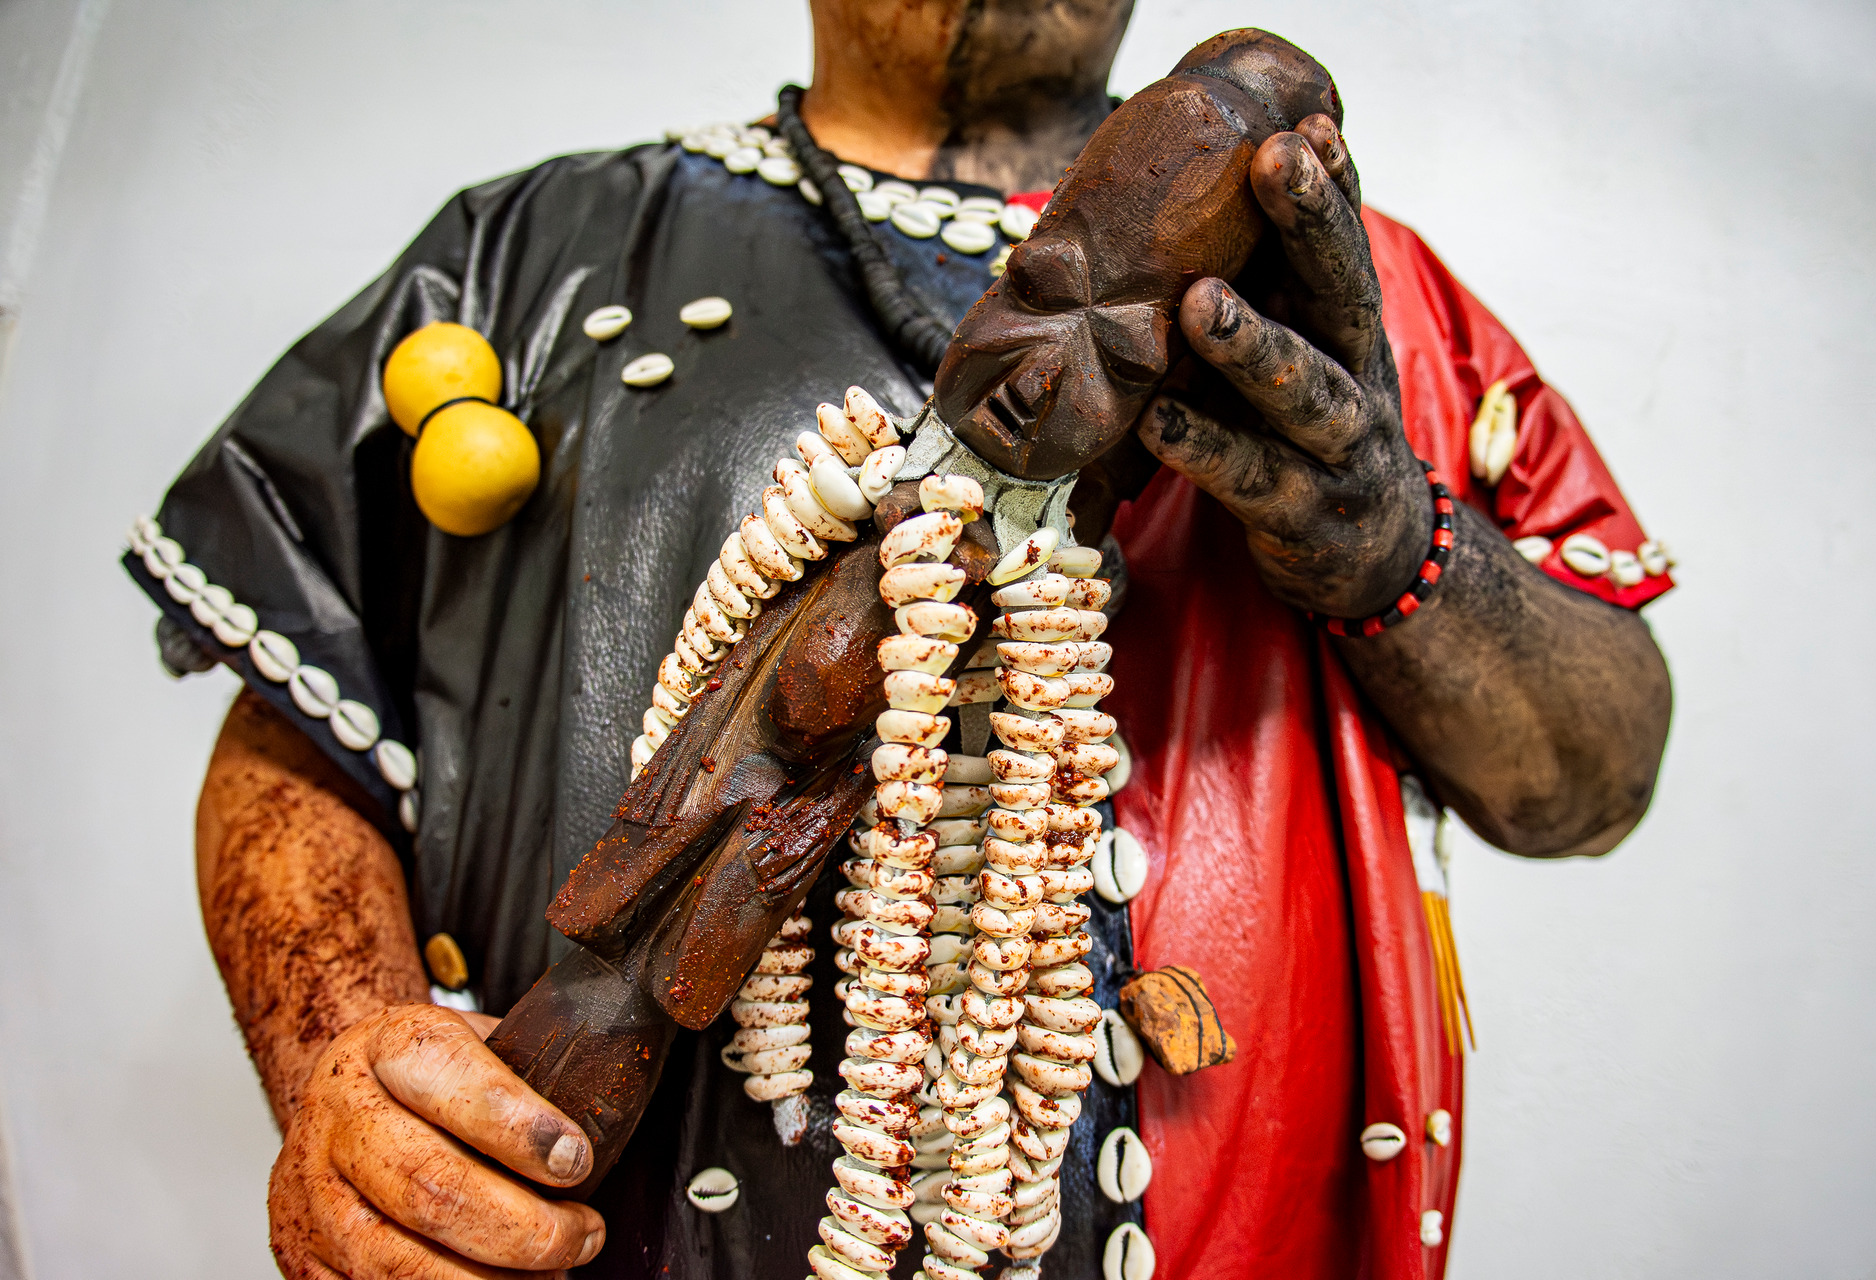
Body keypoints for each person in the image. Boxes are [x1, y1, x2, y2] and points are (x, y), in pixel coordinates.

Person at [127, 3, 1673, 1278]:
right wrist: (347, 1058)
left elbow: (1594, 776)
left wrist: (1396, 546)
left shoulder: (1373, 299)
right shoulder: (537, 256)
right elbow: (300, 732)